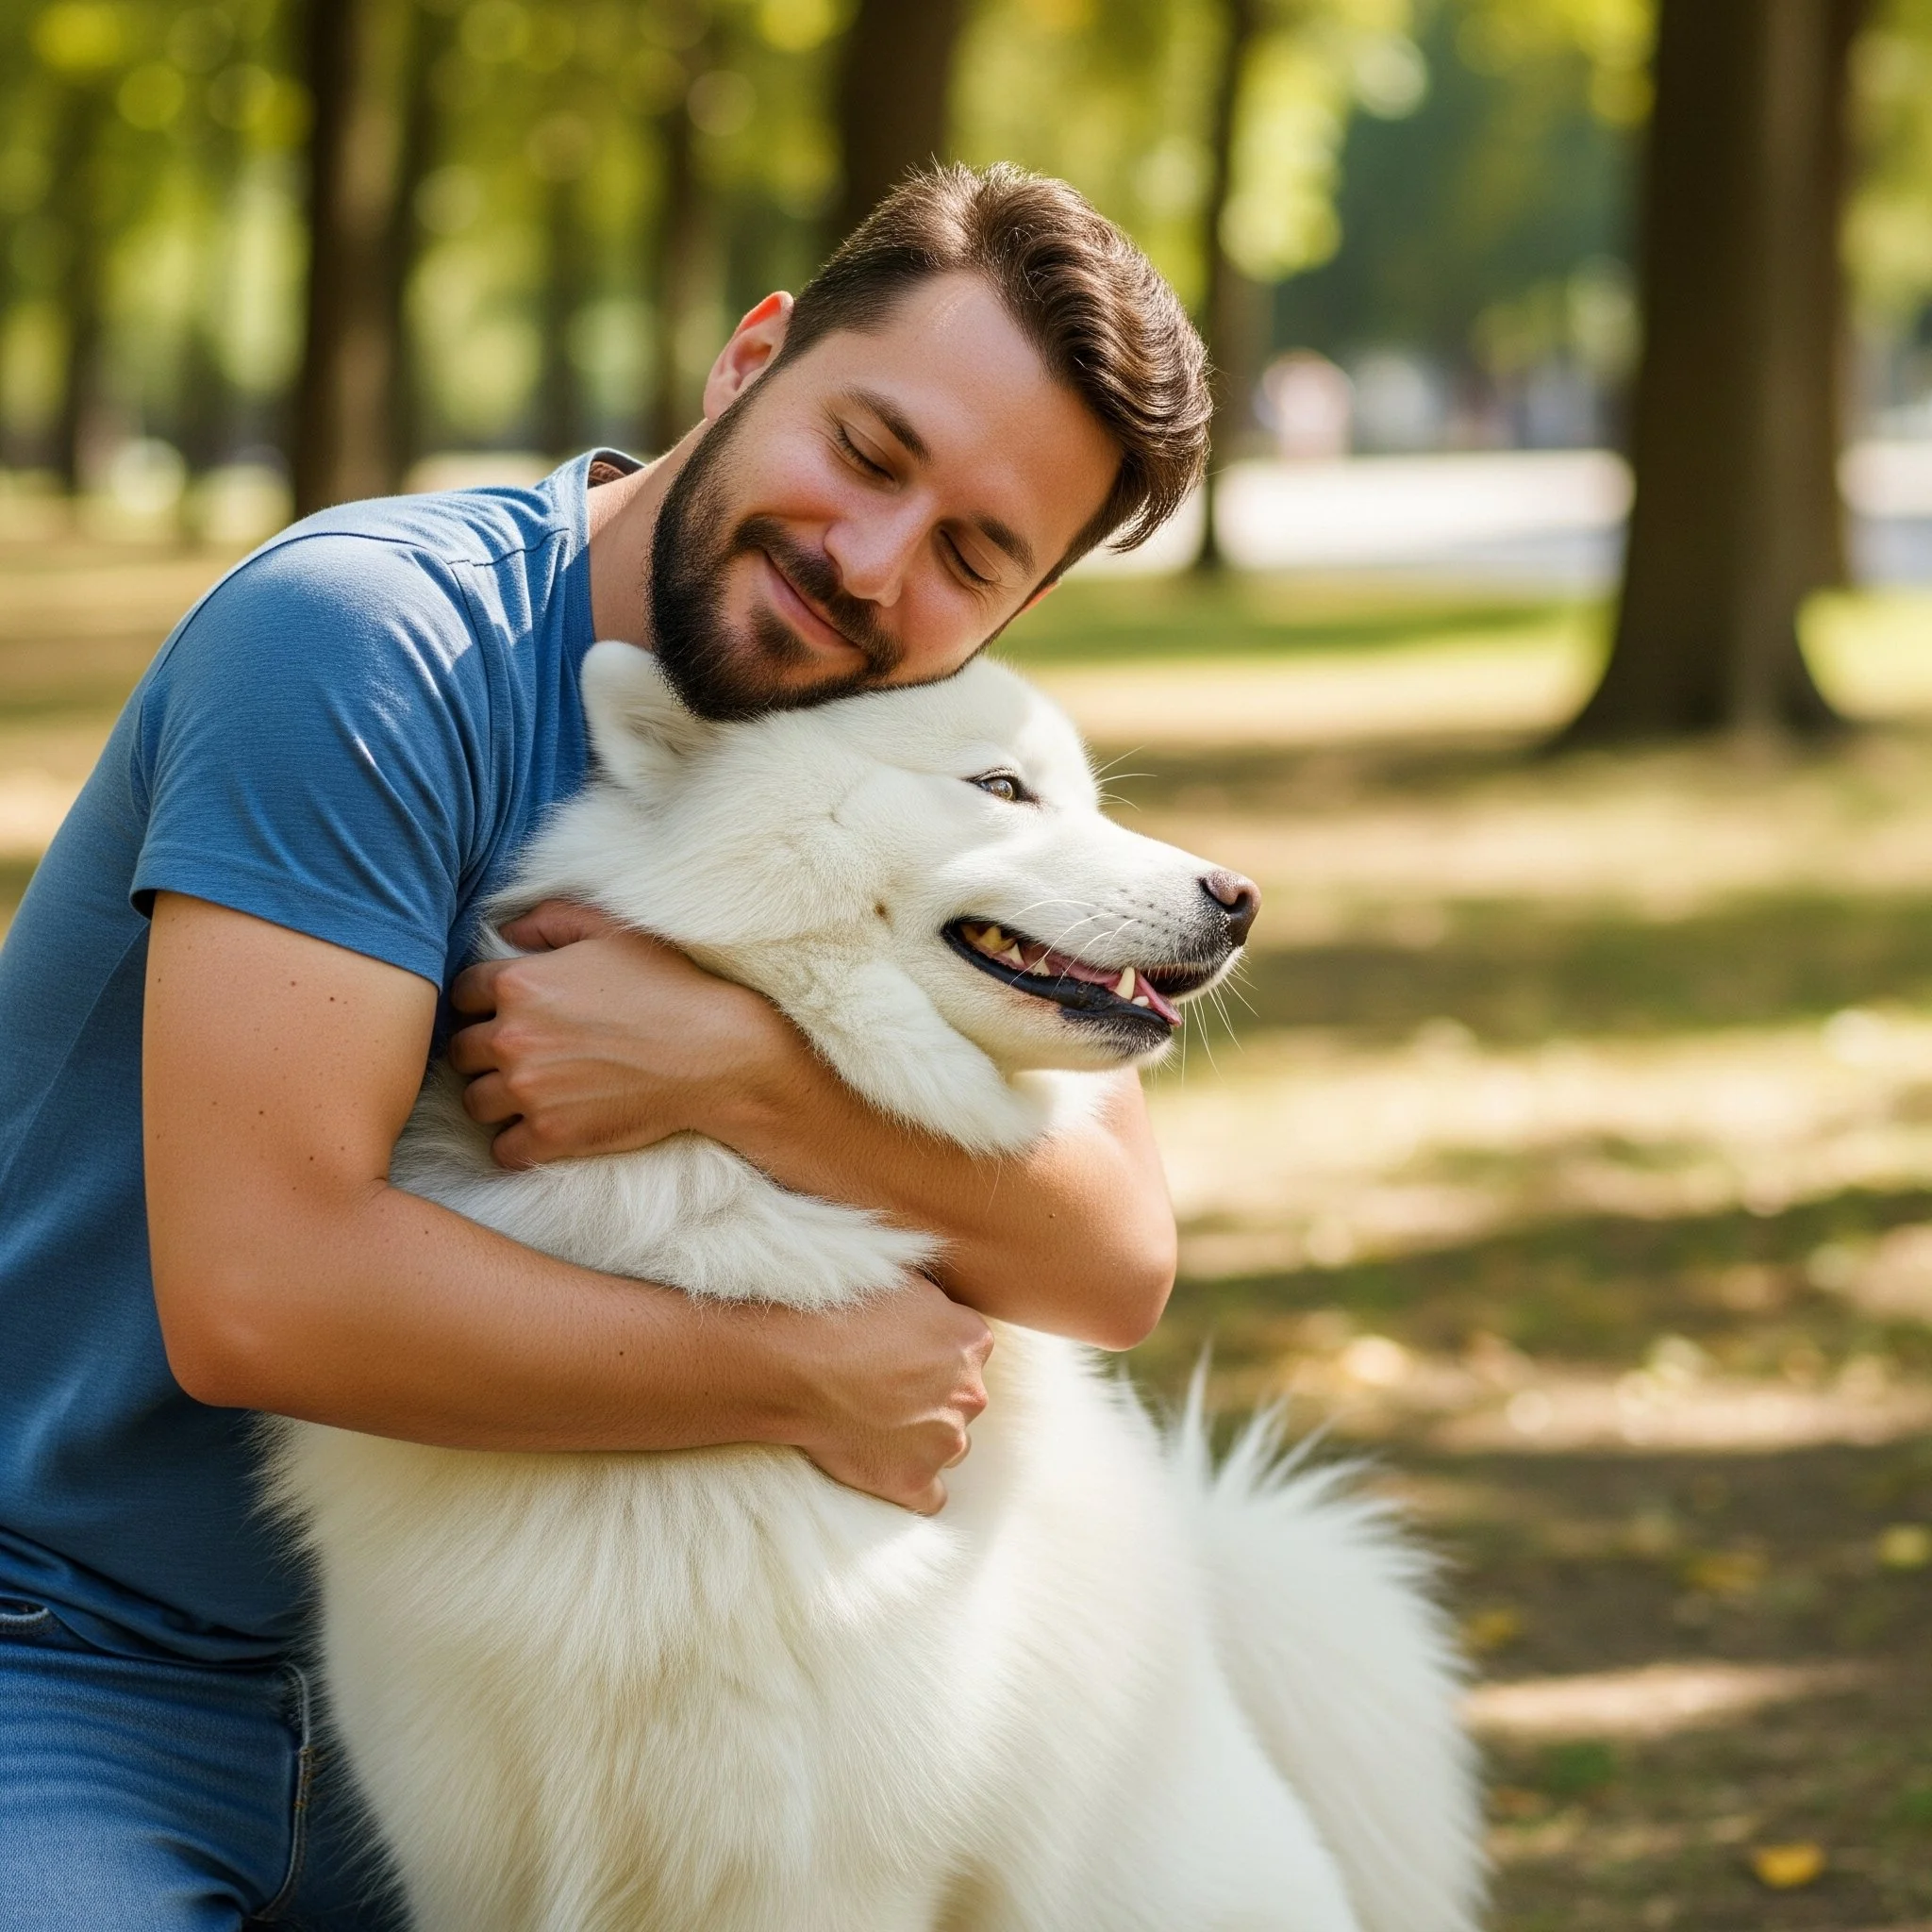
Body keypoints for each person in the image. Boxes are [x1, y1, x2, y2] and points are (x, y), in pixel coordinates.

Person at [0, 164, 1211, 1929]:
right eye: (870, 454)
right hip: (85, 1663)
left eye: (972, 554)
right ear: (749, 361)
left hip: (476, 1696)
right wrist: (800, 1373)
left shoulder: (878, 745)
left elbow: (1112, 1256)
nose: (869, 565)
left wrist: (737, 1071)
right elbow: (258, 1290)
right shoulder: (365, 653)